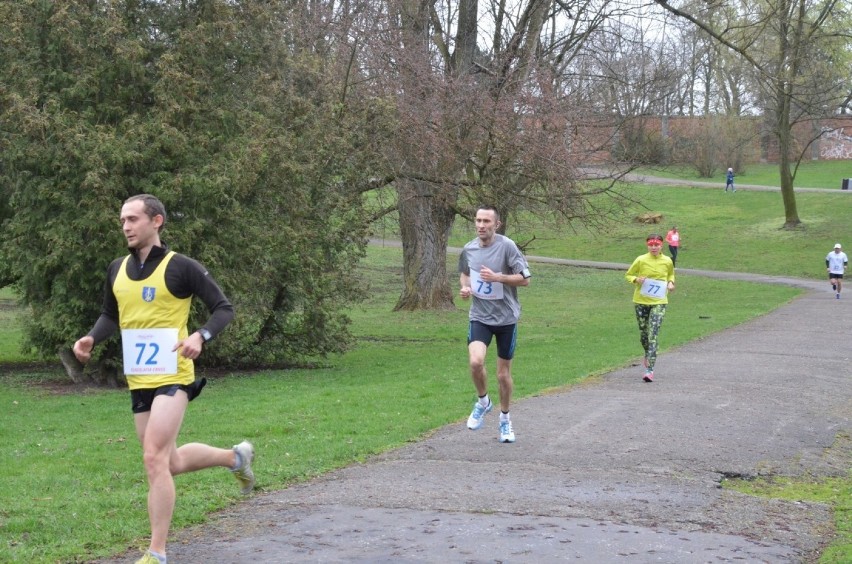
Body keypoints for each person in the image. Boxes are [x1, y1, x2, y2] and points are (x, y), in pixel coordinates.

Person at [72, 194, 253, 564]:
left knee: (152, 457)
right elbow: (111, 314)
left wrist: (199, 336)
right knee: (167, 462)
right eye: (123, 219)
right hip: (140, 379)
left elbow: (224, 308)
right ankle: (234, 458)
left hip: (174, 375)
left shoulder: (181, 267)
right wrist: (92, 337)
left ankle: (157, 552)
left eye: (133, 219)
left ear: (156, 222)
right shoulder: (116, 268)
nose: (125, 226)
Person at [458, 206, 531, 443]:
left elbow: (525, 279)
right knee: (475, 361)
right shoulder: (468, 249)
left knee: (502, 375)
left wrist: (498, 277)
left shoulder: (507, 246)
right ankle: (483, 402)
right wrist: (466, 287)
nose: (481, 225)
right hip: (479, 316)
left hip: (506, 319)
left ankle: (505, 419)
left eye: (486, 221)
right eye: (478, 220)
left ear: (496, 225)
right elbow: (465, 273)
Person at [625, 234, 675, 382]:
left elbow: (671, 274)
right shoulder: (640, 259)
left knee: (653, 334)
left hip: (659, 301)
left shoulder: (667, 261)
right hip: (641, 301)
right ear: (647, 246)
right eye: (651, 245)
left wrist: (671, 283)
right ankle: (647, 353)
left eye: (657, 245)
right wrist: (636, 279)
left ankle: (649, 370)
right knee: (644, 334)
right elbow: (628, 275)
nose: (654, 247)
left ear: (661, 246)